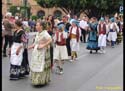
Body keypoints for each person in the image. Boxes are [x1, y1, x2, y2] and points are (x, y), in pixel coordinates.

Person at [28, 21, 52, 86]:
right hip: (36, 51)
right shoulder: (38, 33)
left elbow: (50, 40)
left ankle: (41, 81)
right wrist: (31, 46)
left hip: (42, 52)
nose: (36, 26)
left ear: (41, 26)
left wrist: (43, 45)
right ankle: (36, 80)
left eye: (37, 25)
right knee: (35, 64)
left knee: (41, 66)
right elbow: (36, 42)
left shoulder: (45, 33)